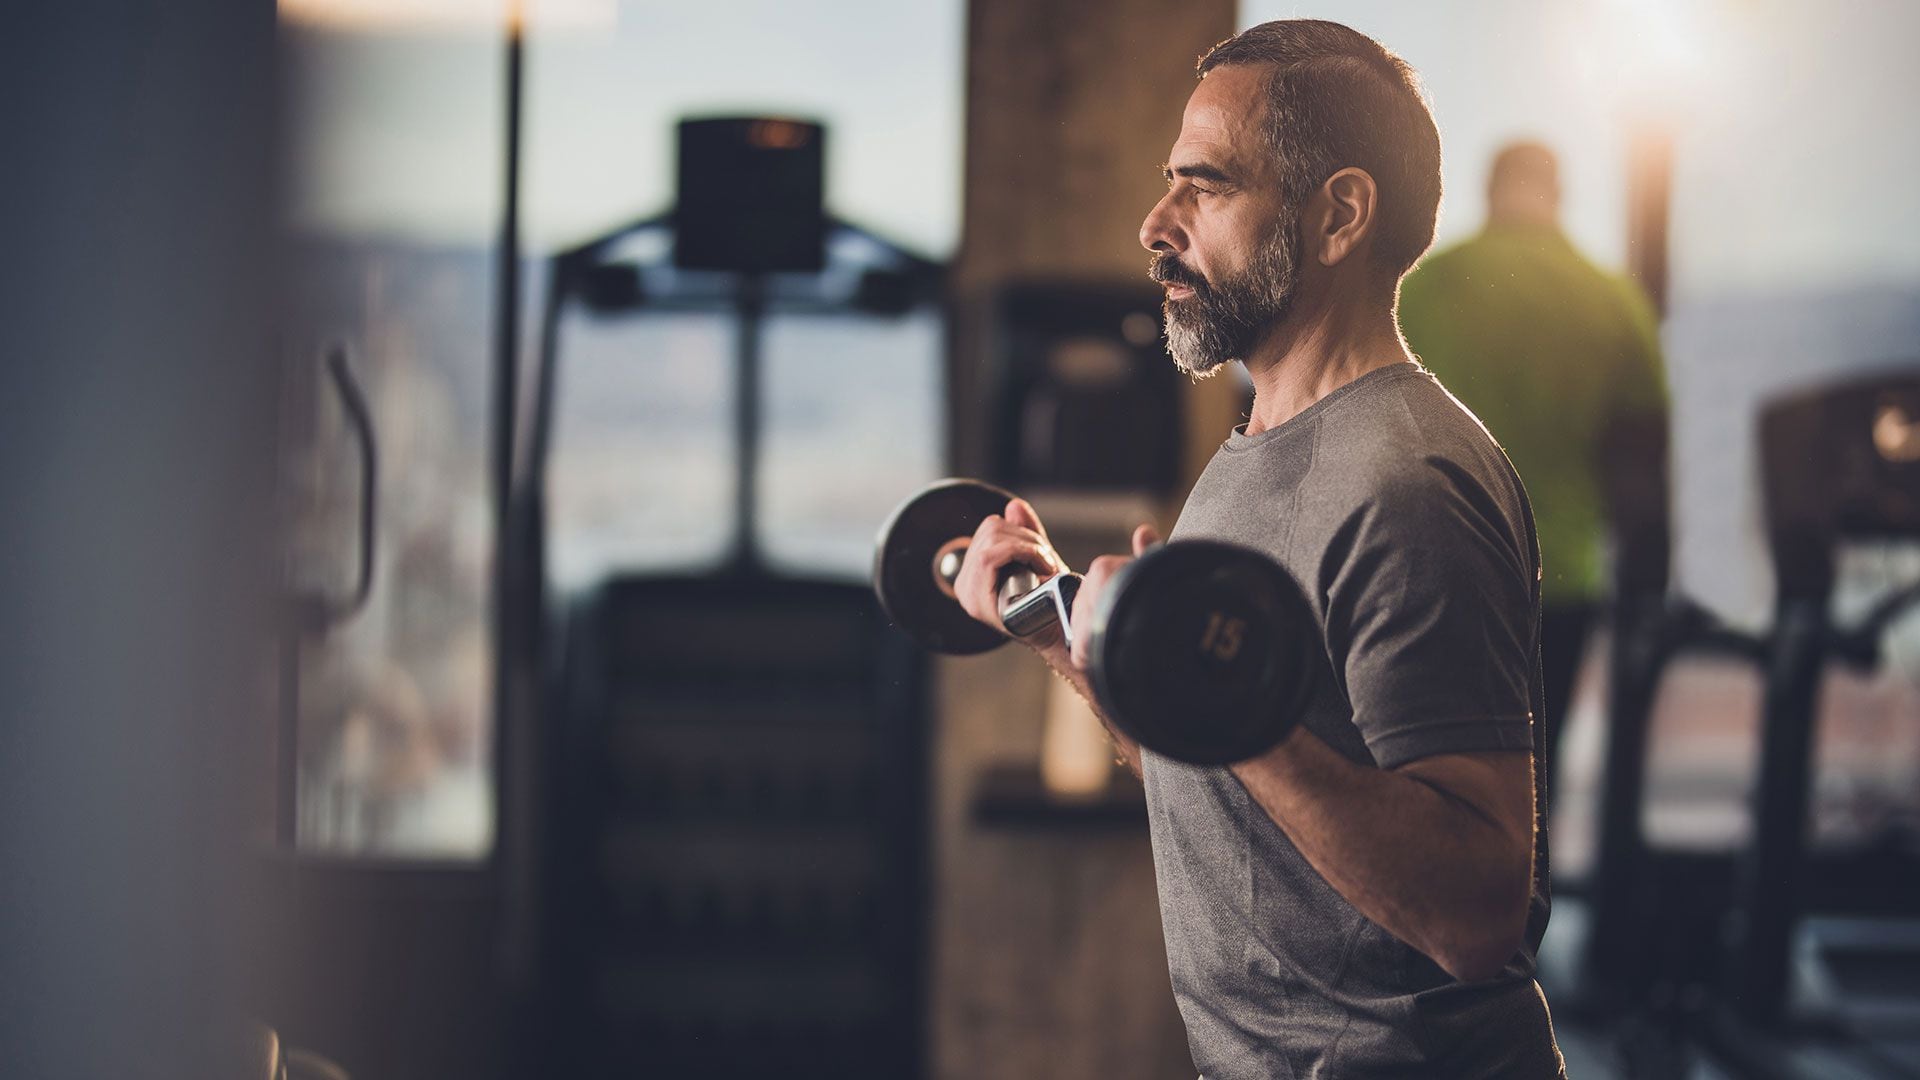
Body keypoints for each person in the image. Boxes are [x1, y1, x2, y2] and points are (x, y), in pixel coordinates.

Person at [952, 20, 1564, 1078]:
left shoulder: (1409, 483)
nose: (1155, 224)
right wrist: (1067, 632)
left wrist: (1206, 692)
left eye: (1208, 187)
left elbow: (1477, 915)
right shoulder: (1255, 451)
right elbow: (1225, 776)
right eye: (1168, 185)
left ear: (1337, 216)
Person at [1398, 141, 1668, 773]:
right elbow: (1641, 476)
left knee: (1418, 777)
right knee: (1533, 784)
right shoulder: (1614, 301)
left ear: (1489, 192)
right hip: (1558, 585)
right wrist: (1646, 607)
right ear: (1559, 195)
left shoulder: (1421, 288)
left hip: (1426, 572)